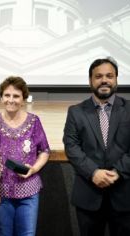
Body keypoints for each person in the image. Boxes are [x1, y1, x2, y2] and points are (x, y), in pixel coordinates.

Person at [63, 58, 130, 236]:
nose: (104, 80)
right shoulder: (75, 111)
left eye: (109, 76)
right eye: (98, 76)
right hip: (88, 195)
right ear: (90, 80)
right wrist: (94, 172)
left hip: (124, 195)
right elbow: (71, 146)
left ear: (116, 79)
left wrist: (117, 172)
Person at [0, 76, 50, 236]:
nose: (11, 100)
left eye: (16, 96)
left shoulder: (34, 121)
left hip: (29, 191)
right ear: (1, 98)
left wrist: (34, 168)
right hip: (1, 192)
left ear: (23, 99)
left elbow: (44, 151)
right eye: (7, 95)